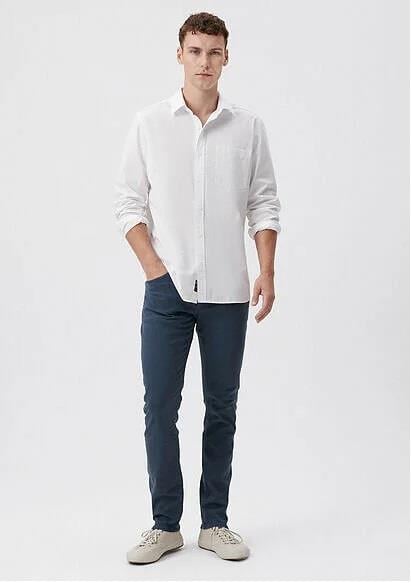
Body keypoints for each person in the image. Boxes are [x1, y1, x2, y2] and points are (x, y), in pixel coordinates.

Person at [114, 11, 281, 564]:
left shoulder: (248, 128)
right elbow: (128, 203)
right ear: (179, 55)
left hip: (228, 292)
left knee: (221, 407)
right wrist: (154, 270)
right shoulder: (149, 124)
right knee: (159, 406)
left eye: (213, 52)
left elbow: (263, 202)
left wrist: (266, 270)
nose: (204, 61)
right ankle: (165, 525)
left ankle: (215, 522)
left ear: (226, 57)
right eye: (195, 51)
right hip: (167, 292)